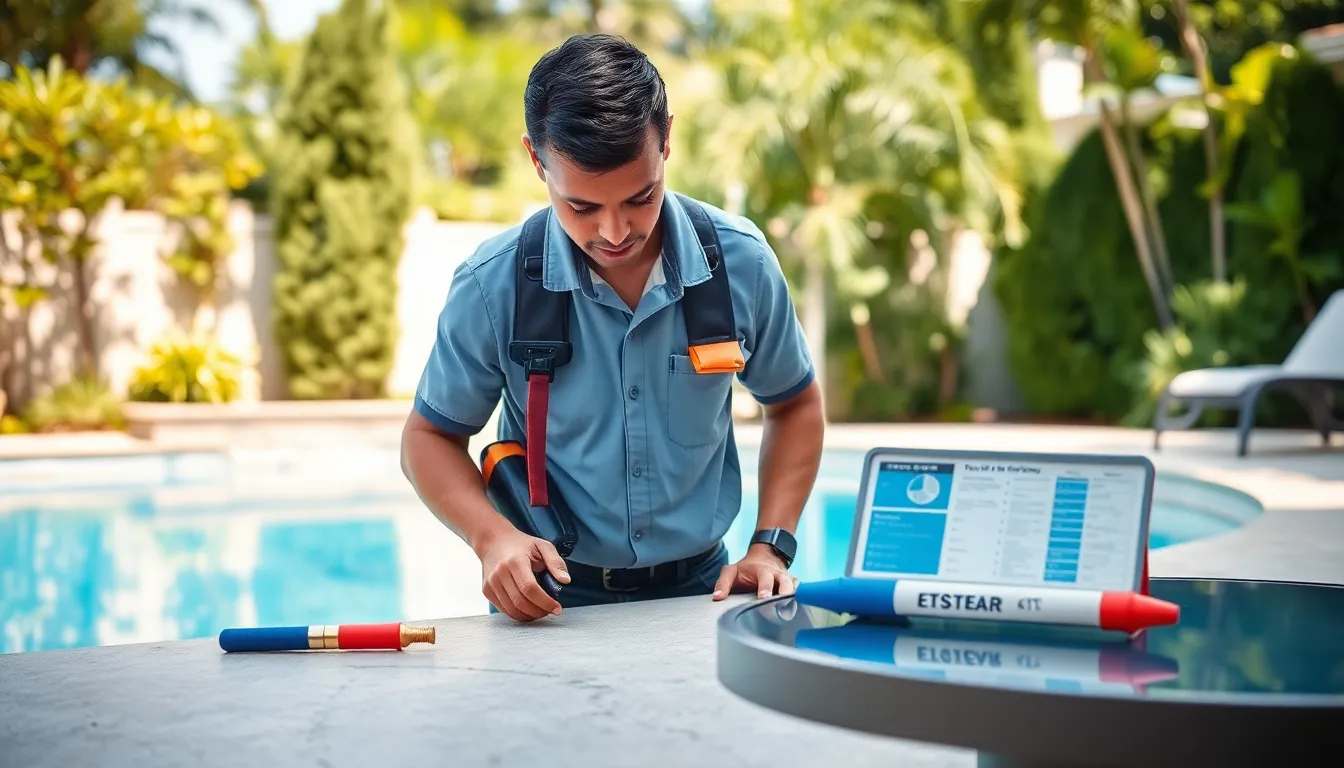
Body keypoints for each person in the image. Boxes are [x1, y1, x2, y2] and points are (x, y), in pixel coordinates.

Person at [400, 33, 824, 622]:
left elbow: (795, 406)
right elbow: (427, 439)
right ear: (536, 161)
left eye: (641, 197)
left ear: (666, 139)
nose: (616, 232)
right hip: (549, 600)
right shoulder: (490, 286)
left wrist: (769, 545)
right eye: (582, 207)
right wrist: (492, 538)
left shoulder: (742, 264)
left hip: (701, 592)